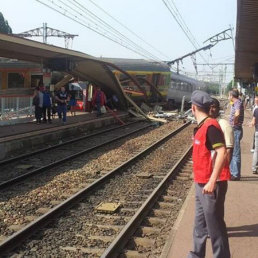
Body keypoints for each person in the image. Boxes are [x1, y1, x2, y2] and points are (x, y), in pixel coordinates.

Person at [188, 90, 230, 258]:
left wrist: (212, 181)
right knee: (199, 225)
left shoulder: (211, 126)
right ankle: (196, 255)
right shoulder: (201, 126)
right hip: (201, 183)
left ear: (193, 108)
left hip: (212, 185)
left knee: (215, 227)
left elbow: (221, 152)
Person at [209, 98, 234, 164]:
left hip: (218, 166)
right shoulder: (207, 123)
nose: (211, 110)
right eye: (209, 107)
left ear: (219, 109)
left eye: (213, 107)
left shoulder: (224, 125)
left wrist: (222, 170)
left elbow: (229, 150)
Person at [228, 89, 244, 180]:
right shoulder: (237, 102)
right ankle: (233, 172)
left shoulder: (237, 102)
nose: (228, 97)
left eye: (229, 95)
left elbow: (237, 113)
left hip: (236, 130)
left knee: (235, 153)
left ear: (231, 96)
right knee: (233, 151)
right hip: (236, 129)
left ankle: (235, 174)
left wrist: (234, 122)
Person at [251, 95, 258, 174]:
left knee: (256, 151)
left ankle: (254, 168)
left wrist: (251, 124)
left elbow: (253, 122)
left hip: (257, 132)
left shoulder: (256, 110)